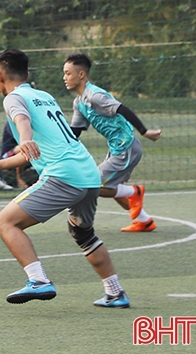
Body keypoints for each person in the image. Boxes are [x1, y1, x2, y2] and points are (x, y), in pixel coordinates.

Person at [0, 49, 130, 308]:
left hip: (63, 175)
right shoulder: (44, 96)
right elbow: (36, 150)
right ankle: (115, 292)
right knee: (83, 233)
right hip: (88, 174)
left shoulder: (13, 98)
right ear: (28, 73)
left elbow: (23, 124)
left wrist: (24, 137)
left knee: (6, 223)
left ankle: (38, 280)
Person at [63, 53, 162, 232]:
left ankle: (135, 192)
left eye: (68, 73)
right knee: (111, 185)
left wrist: (145, 131)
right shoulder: (79, 102)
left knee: (92, 184)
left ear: (81, 74)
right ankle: (144, 221)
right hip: (117, 147)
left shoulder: (95, 96)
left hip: (127, 146)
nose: (64, 78)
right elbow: (75, 132)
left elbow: (122, 109)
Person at [0, 122, 29, 190]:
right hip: (7, 156)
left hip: (26, 157)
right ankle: (19, 179)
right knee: (21, 148)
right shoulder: (11, 123)